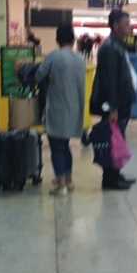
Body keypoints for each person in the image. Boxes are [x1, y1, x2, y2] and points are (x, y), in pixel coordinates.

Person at [90, 9, 137, 190]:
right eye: (126, 24)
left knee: (118, 139)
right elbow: (110, 81)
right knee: (112, 140)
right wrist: (112, 108)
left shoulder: (117, 45)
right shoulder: (110, 48)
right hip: (115, 105)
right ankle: (110, 179)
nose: (129, 27)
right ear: (116, 25)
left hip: (122, 103)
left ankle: (116, 174)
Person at [36, 24, 86, 196]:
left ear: (57, 39)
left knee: (57, 147)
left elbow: (38, 76)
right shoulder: (80, 59)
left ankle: (61, 184)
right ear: (73, 40)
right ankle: (69, 180)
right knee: (65, 146)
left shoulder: (53, 57)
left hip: (57, 109)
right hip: (74, 108)